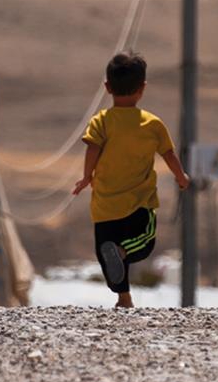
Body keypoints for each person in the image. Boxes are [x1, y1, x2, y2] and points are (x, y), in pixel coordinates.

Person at [72, 51, 190, 308]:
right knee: (143, 242)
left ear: (107, 87)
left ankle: (123, 298)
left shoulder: (101, 121)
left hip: (105, 206)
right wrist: (181, 177)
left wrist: (86, 176)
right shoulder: (151, 124)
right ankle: (123, 253)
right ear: (142, 88)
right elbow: (169, 154)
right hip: (139, 203)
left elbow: (92, 148)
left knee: (106, 254)